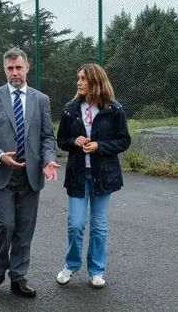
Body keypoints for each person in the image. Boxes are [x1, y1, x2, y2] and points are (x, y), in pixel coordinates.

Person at [0, 47, 59, 299]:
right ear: (4, 70)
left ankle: (19, 277)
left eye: (19, 67)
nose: (15, 72)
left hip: (30, 176)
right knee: (4, 225)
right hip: (1, 175)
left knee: (24, 229)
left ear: (27, 68)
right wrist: (1, 155)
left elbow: (47, 137)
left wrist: (49, 160)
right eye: (10, 68)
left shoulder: (41, 100)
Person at [55, 63, 131, 289]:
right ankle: (71, 265)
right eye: (77, 78)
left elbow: (123, 140)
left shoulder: (114, 109)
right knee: (76, 224)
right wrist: (74, 141)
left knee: (99, 226)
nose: (78, 82)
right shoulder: (70, 108)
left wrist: (100, 146)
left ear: (95, 82)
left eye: (82, 79)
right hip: (78, 174)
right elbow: (61, 140)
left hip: (103, 176)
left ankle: (97, 271)